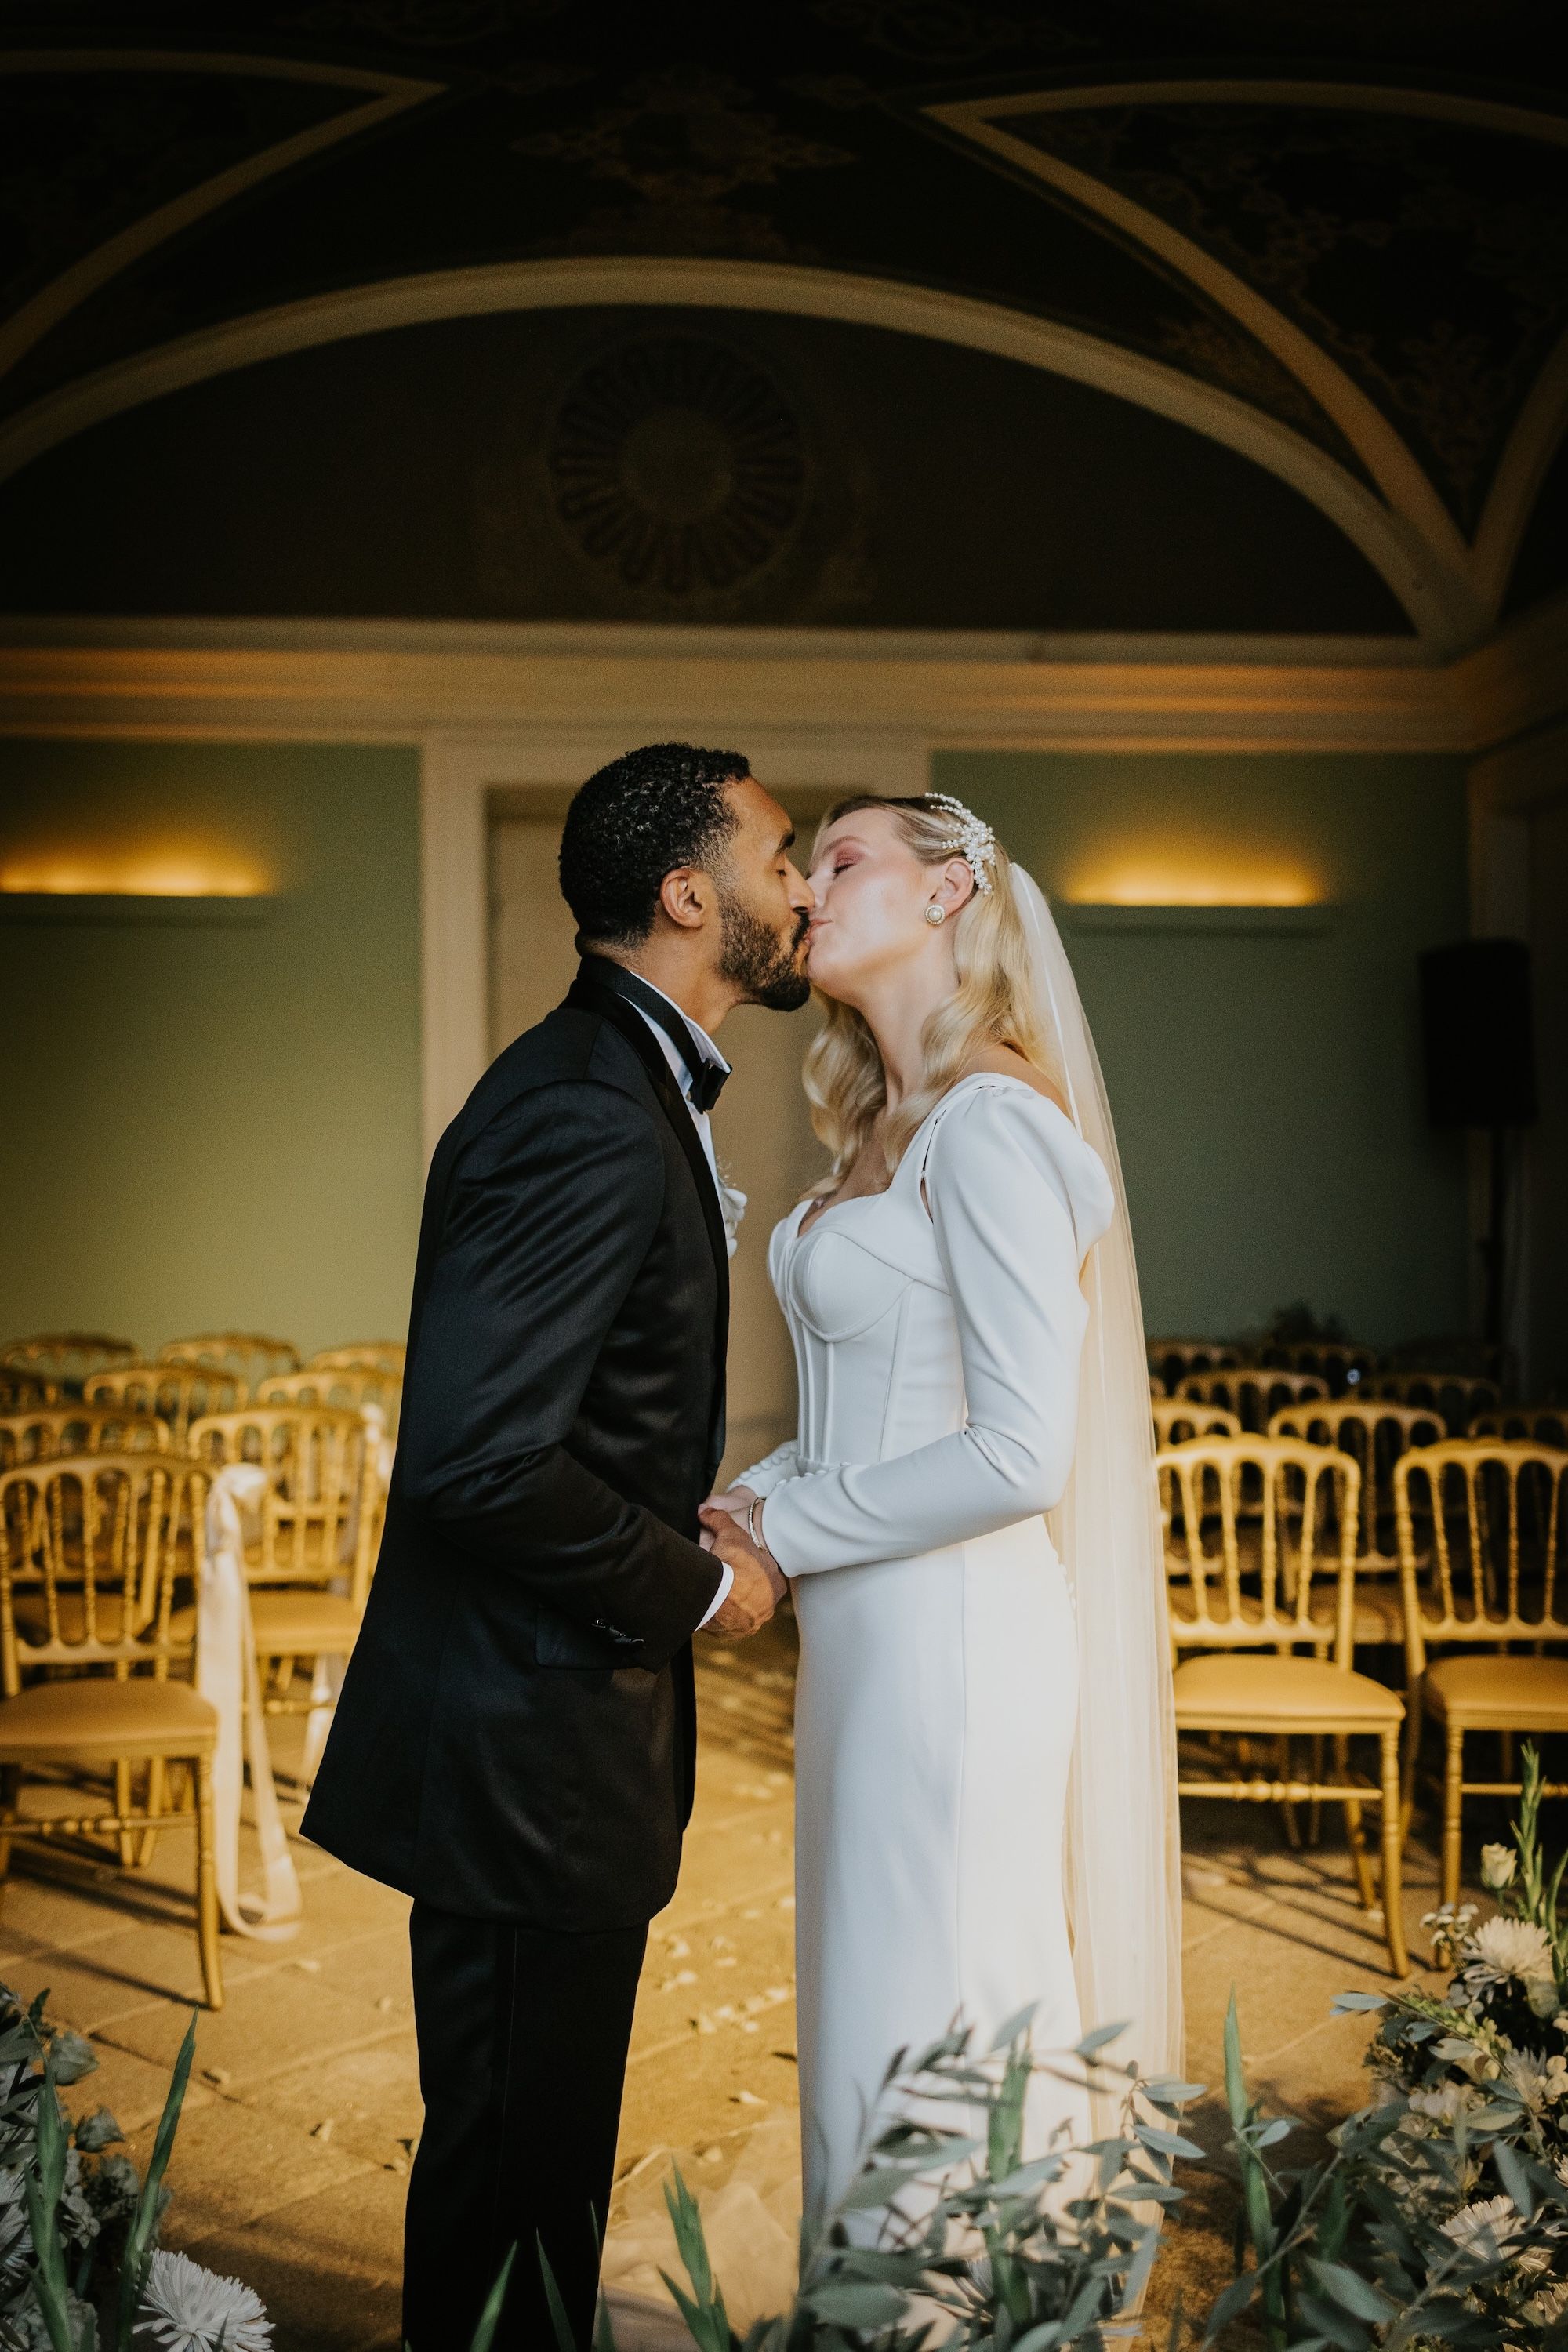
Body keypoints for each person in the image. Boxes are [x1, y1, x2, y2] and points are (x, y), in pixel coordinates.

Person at [303, 743, 807, 2350]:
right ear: (686, 896)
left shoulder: (615, 1077)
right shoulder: (587, 1106)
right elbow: (479, 1455)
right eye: (781, 858)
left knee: (526, 2171)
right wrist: (705, 1583)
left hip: (544, 1730)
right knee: (518, 2181)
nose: (798, 891)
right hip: (525, 1744)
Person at [703, 791, 1182, 2220]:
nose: (808, 888)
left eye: (842, 859)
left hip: (960, 1644)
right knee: (873, 1999)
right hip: (871, 1640)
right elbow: (879, 1409)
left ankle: (965, 2305)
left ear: (950, 892)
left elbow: (1022, 1452)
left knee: (944, 1997)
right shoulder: (881, 1112)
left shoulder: (990, 1120)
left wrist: (784, 1531)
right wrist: (753, 1494)